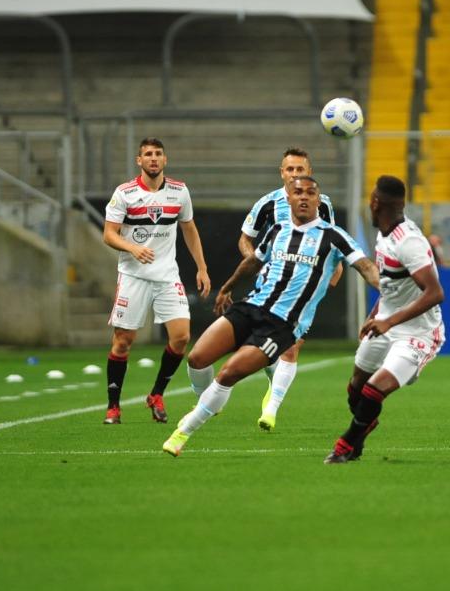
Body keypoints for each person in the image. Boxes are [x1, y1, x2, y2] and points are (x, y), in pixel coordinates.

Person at [163, 175, 380, 458]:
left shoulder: (334, 236)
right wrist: (227, 287)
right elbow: (254, 260)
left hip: (281, 326)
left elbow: (364, 266)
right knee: (197, 358)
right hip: (250, 307)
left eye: (310, 193)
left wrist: (388, 287)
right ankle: (208, 403)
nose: (303, 197)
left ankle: (182, 433)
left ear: (319, 200)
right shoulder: (277, 229)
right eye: (298, 192)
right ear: (287, 198)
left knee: (228, 373)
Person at [324, 176, 445, 464]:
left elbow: (435, 293)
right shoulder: (384, 233)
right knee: (356, 389)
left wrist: (389, 323)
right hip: (385, 322)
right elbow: (393, 285)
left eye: (371, 198)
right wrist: (376, 313)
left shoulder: (409, 242)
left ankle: (346, 446)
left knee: (374, 390)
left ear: (376, 203)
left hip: (419, 332)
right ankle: (364, 426)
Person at [101, 138, 210, 426]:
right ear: (139, 160)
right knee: (123, 342)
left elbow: (189, 229)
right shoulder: (124, 193)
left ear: (165, 159)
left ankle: (156, 395)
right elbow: (109, 234)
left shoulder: (179, 191)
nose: (153, 158)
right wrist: (132, 247)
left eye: (158, 154)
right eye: (148, 154)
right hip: (133, 276)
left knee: (182, 337)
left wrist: (202, 267)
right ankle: (113, 406)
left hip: (166, 275)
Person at [237, 147, 342, 432]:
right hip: (270, 284)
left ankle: (270, 411)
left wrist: (332, 271)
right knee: (262, 345)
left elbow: (331, 240)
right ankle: (274, 378)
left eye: (300, 170)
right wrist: (256, 263)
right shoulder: (268, 204)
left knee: (292, 346)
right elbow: (246, 238)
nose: (295, 174)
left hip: (303, 286)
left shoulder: (323, 204)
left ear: (309, 173)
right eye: (290, 169)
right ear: (281, 173)